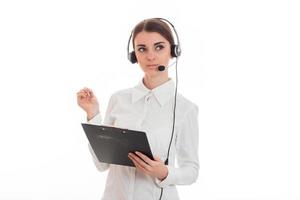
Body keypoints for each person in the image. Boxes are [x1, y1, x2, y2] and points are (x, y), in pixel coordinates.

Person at [77, 18, 199, 200]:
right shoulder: (118, 99)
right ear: (134, 55)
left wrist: (164, 172)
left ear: (173, 51)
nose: (150, 56)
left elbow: (192, 170)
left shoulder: (185, 109)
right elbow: (101, 165)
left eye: (159, 47)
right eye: (142, 49)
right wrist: (93, 114)